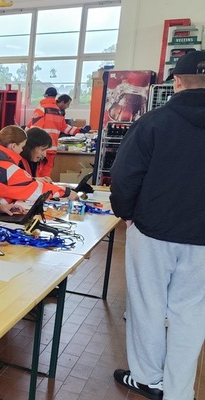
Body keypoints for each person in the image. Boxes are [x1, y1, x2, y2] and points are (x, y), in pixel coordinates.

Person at [110, 50, 205, 400]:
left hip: (152, 230)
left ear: (176, 82)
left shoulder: (152, 122)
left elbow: (124, 175)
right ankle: (180, 392)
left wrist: (126, 212)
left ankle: (149, 379)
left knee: (147, 305)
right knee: (191, 314)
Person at [0, 125, 76, 203]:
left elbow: (7, 184)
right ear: (13, 146)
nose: (22, 150)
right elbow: (35, 190)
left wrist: (32, 180)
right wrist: (66, 192)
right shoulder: (10, 168)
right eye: (22, 146)